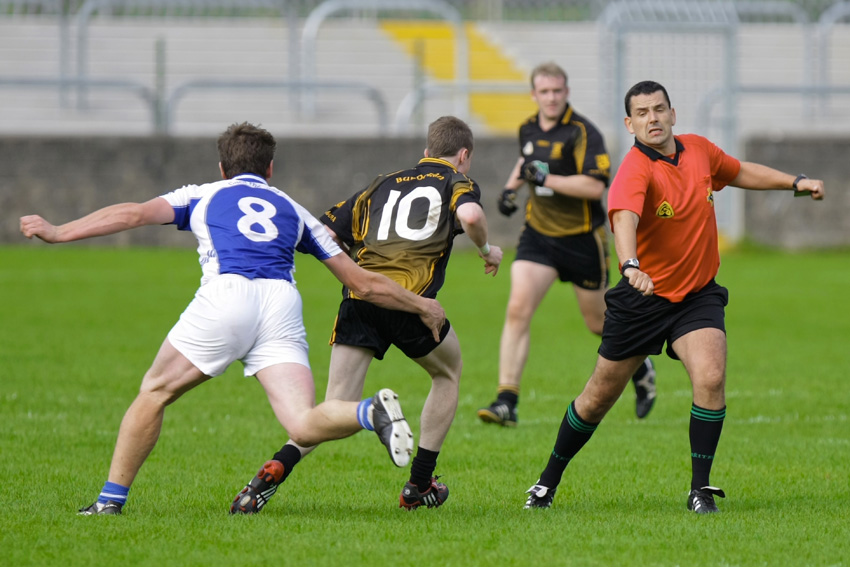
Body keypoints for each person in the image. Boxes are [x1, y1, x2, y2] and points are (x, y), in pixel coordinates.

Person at [19, 122, 448, 516]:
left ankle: (109, 503)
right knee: (301, 421)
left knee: (154, 391)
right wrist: (422, 305)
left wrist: (60, 232)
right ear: (271, 168)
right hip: (281, 305)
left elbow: (132, 213)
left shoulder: (202, 193)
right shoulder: (293, 209)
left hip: (227, 297)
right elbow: (363, 282)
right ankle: (367, 411)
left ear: (222, 167)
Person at [523, 80, 825, 513]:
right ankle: (546, 483)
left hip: (697, 296)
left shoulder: (699, 150)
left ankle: (699, 490)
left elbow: (738, 172)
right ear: (630, 123)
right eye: (642, 113)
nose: (653, 119)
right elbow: (623, 219)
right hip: (642, 299)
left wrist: (795, 182)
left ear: (673, 114)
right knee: (596, 398)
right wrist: (630, 267)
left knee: (711, 377)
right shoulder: (634, 169)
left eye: (659, 109)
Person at [231, 116, 503, 514]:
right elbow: (473, 218)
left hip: (360, 300)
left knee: (333, 409)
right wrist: (486, 250)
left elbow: (323, 233)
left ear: (425, 153)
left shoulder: (379, 185)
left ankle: (267, 477)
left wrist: (353, 266)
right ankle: (419, 484)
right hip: (413, 304)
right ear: (463, 156)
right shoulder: (455, 180)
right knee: (447, 374)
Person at [478, 62, 656, 428]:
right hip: (538, 236)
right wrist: (511, 189)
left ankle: (641, 366)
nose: (551, 97)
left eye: (557, 91)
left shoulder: (582, 132)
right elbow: (525, 160)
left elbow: (595, 186)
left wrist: (547, 177)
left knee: (598, 322)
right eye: (544, 91)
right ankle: (506, 401)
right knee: (517, 309)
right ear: (534, 94)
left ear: (567, 92)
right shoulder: (527, 126)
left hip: (581, 240)